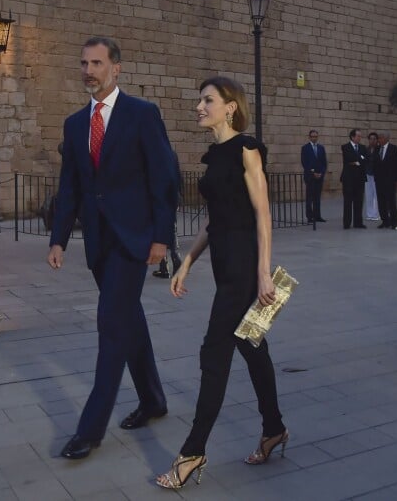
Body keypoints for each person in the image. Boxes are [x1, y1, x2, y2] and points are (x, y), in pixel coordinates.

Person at [47, 37, 178, 459]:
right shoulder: (74, 124)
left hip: (135, 239)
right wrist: (58, 238)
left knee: (110, 324)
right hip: (100, 243)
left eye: (98, 63)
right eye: (84, 62)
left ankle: (90, 429)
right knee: (128, 320)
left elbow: (164, 178)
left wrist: (162, 236)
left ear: (116, 68)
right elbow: (71, 186)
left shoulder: (142, 114)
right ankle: (154, 399)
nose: (89, 70)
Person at [156, 77, 287, 490]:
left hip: (245, 267)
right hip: (224, 263)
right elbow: (214, 222)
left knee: (215, 352)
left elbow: (263, 214)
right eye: (200, 100)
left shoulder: (247, 150)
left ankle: (192, 452)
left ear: (231, 107)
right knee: (251, 345)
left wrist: (264, 273)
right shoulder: (214, 156)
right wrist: (187, 263)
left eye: (207, 100)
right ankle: (274, 429)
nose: (199, 106)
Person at [153, 151, 183, 278]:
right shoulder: (172, 154)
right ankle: (166, 265)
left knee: (161, 230)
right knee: (170, 228)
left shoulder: (153, 153)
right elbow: (178, 177)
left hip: (159, 198)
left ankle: (171, 263)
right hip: (171, 197)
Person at [375, 131, 397, 230]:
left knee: (391, 201)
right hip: (379, 180)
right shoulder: (377, 149)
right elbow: (374, 162)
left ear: (387, 138)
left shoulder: (394, 149)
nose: (379, 140)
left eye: (381, 138)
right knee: (381, 201)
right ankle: (385, 221)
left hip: (390, 180)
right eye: (379, 138)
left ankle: (394, 222)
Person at [340, 129, 367, 229]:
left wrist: (357, 161)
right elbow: (349, 158)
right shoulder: (345, 147)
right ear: (352, 137)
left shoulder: (363, 147)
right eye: (358, 136)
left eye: (360, 136)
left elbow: (365, 159)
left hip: (360, 178)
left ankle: (358, 222)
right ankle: (347, 222)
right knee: (348, 201)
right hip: (348, 179)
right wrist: (359, 160)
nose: (359, 138)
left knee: (359, 201)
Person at [301, 129, 327, 222]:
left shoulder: (321, 148)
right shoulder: (305, 148)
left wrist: (321, 173)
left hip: (319, 176)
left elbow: (324, 163)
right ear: (309, 137)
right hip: (310, 176)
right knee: (309, 198)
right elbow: (304, 163)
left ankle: (317, 216)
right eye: (312, 136)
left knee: (317, 197)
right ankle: (309, 217)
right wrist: (313, 173)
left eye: (316, 136)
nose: (314, 138)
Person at [364, 132, 380, 221]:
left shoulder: (379, 149)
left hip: (377, 174)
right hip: (368, 173)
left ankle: (376, 214)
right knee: (369, 194)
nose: (372, 141)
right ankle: (369, 213)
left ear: (377, 140)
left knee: (376, 195)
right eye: (371, 139)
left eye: (374, 139)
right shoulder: (366, 149)